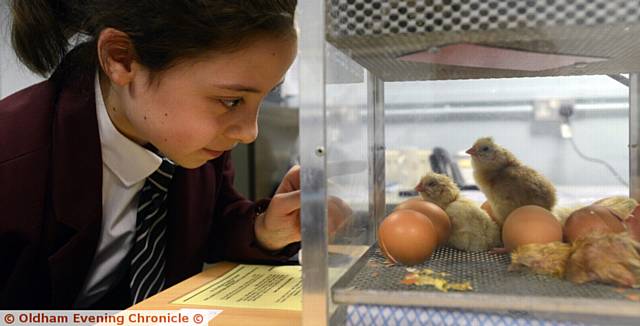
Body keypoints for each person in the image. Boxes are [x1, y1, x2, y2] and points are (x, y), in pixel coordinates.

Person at [0, 0, 310, 309]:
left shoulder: (190, 139)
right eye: (230, 101)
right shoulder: (16, 164)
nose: (248, 132)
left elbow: (211, 223)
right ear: (121, 59)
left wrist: (267, 230)